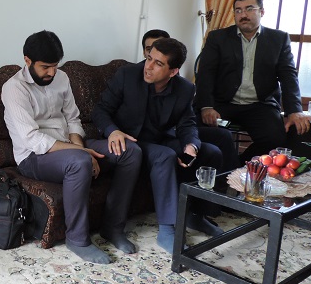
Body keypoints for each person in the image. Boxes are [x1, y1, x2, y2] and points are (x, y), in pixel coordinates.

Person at [1, 30, 142, 264]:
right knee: (79, 162)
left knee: (129, 152)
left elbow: (73, 119)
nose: (51, 72)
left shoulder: (62, 78)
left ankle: (113, 227)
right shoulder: (14, 88)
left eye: (55, 66)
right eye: (45, 67)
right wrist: (81, 153)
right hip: (33, 157)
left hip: (69, 146)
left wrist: (79, 148)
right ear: (27, 60)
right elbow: (32, 139)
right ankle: (77, 239)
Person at [92, 38, 224, 253]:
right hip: (129, 141)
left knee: (211, 152)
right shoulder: (127, 75)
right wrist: (112, 131)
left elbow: (187, 124)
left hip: (159, 140)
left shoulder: (185, 88)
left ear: (173, 71)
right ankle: (167, 230)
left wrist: (191, 145)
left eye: (158, 63)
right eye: (149, 58)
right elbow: (100, 110)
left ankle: (196, 215)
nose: (149, 66)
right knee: (165, 156)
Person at [195, 0, 311, 162]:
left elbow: (288, 76)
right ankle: (226, 167)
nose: (243, 15)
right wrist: (206, 106)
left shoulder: (278, 39)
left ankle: (238, 166)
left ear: (262, 12)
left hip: (260, 104)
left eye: (249, 9)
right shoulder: (218, 38)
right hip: (223, 103)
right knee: (197, 131)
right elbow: (206, 74)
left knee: (276, 140)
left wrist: (294, 110)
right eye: (238, 10)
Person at [143, 29, 239, 173]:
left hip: (178, 129)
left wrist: (191, 144)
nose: (151, 63)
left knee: (223, 136)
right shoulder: (136, 77)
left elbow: (186, 120)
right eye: (149, 50)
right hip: (162, 136)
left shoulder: (182, 85)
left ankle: (231, 179)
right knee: (209, 149)